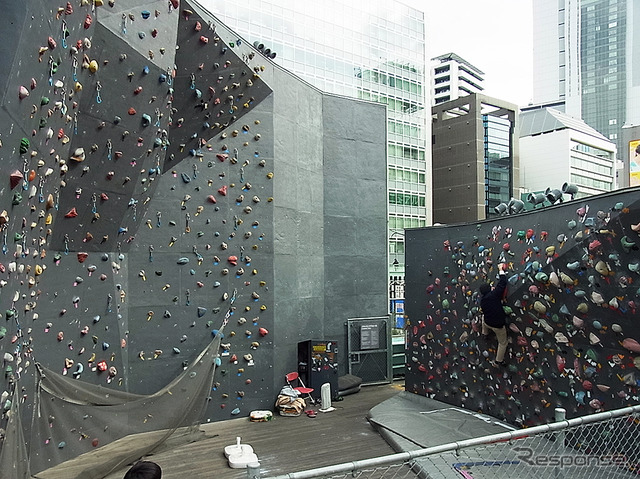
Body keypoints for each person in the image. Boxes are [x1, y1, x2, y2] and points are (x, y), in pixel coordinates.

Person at [478, 263, 508, 366]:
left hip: (487, 321)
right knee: (503, 343)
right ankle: (499, 360)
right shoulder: (494, 295)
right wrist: (500, 269)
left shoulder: (482, 301)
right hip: (498, 325)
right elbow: (503, 282)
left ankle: (485, 333)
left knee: (483, 317)